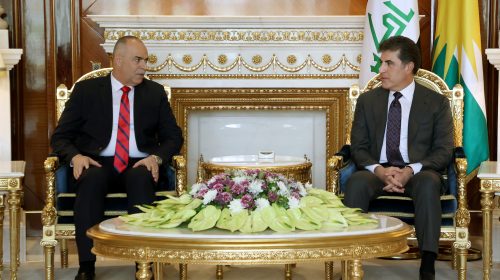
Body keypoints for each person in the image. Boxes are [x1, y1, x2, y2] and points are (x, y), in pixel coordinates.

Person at [51, 36, 183, 280]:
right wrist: (75, 156)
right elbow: (60, 137)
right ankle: (86, 266)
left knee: (140, 178)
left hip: (139, 162)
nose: (144, 66)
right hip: (97, 162)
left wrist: (156, 157)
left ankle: (144, 263)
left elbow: (174, 137)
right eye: (137, 60)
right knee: (91, 179)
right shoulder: (87, 91)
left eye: (145, 60)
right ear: (119, 60)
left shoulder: (154, 93)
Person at [343, 36, 453, 280]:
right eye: (381, 64)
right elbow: (358, 147)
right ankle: (350, 259)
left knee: (428, 183)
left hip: (418, 171)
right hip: (376, 171)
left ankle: (427, 264)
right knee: (356, 183)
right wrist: (379, 171)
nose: (381, 70)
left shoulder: (436, 102)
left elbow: (444, 151)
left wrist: (409, 170)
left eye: (388, 63)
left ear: (408, 66)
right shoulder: (367, 101)